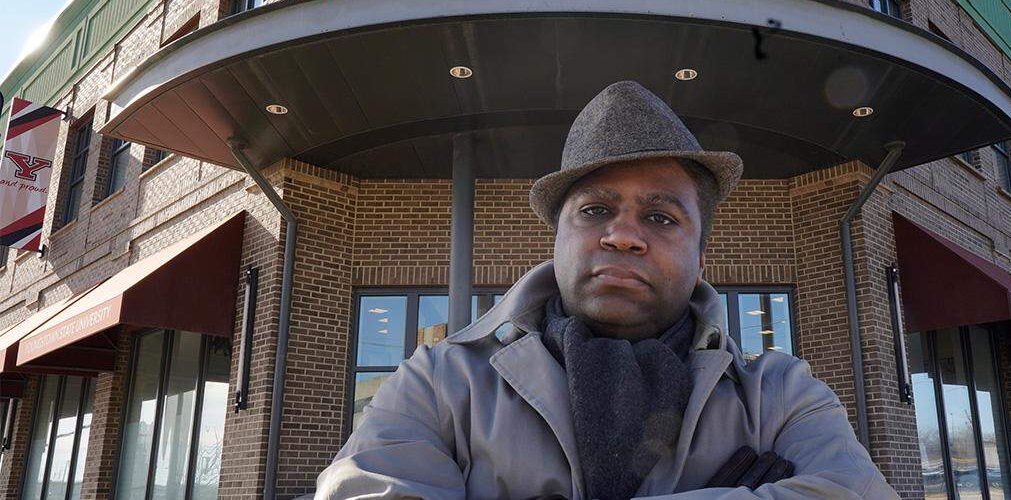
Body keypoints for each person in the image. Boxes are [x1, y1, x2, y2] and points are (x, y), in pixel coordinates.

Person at [314, 81, 899, 500]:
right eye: (595, 211)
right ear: (558, 240)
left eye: (662, 218)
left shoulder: (784, 395)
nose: (622, 236)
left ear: (702, 261)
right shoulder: (439, 383)